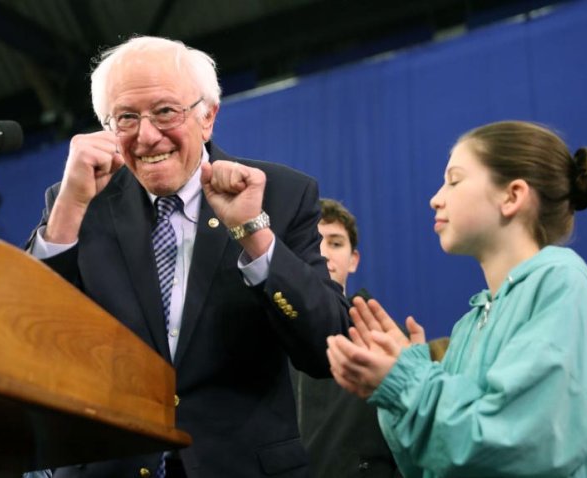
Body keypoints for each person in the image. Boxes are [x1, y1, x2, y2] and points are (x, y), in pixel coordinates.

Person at [26, 36, 349, 477]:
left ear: (208, 117)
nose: (146, 136)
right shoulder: (79, 201)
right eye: (126, 118)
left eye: (164, 112)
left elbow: (326, 346)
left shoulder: (281, 193)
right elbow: (29, 337)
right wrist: (67, 211)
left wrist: (253, 234)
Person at [326, 120, 587, 477]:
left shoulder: (562, 284)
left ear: (512, 196)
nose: (436, 198)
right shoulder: (470, 324)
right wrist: (404, 378)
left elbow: (518, 446)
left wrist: (407, 382)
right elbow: (432, 465)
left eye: (454, 180)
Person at [290, 198, 402, 477]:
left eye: (336, 243)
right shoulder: (267, 335)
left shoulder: (384, 339)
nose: (324, 253)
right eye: (315, 241)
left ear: (354, 260)